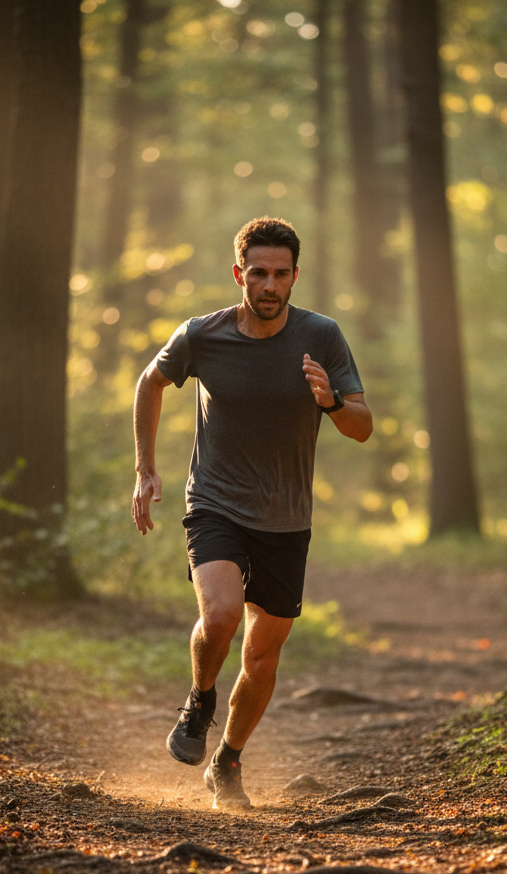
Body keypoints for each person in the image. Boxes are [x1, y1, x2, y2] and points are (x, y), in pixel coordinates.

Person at [131, 216, 372, 810]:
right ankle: (199, 700)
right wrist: (145, 468)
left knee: (263, 656)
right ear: (239, 274)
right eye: (258, 273)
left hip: (287, 516)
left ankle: (227, 762)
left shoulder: (323, 337)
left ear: (295, 277)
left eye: (280, 274)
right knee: (221, 614)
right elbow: (149, 383)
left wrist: (332, 401)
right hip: (215, 500)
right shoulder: (202, 335)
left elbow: (362, 428)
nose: (269, 285)